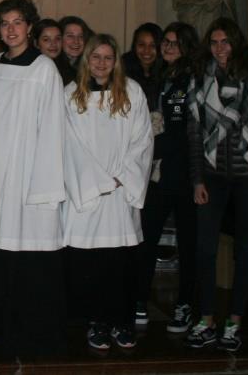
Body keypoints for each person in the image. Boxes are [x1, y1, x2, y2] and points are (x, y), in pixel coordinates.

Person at [0, 0, 67, 358]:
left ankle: (35, 332)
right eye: (4, 23)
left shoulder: (44, 70)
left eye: (17, 22)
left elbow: (54, 129)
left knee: (31, 259)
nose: (11, 29)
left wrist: (42, 184)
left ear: (29, 26)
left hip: (31, 176)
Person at [185, 18, 248, 353]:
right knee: (205, 249)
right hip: (212, 174)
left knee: (244, 249)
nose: (219, 49)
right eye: (214, 42)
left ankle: (235, 320)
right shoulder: (201, 79)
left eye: (225, 42)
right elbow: (194, 135)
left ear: (236, 42)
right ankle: (206, 319)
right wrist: (197, 179)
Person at [63, 34, 153, 352]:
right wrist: (97, 180)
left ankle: (121, 321)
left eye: (108, 57)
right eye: (96, 57)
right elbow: (67, 144)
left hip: (120, 191)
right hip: (87, 193)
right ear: (86, 60)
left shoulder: (132, 92)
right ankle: (96, 322)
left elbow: (143, 139)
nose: (101, 63)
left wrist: (121, 176)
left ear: (116, 62)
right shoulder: (70, 95)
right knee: (90, 265)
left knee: (121, 264)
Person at [136, 22, 201, 332]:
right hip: (159, 176)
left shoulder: (190, 80)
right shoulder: (163, 77)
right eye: (167, 42)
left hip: (184, 176)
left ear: (187, 47)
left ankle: (185, 305)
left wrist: (144, 148)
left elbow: (181, 133)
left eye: (176, 43)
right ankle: (139, 299)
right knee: (146, 238)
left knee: (188, 245)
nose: (169, 47)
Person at [122, 22, 164, 109]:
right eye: (141, 45)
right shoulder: (123, 68)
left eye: (152, 45)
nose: (146, 50)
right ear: (134, 46)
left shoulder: (166, 70)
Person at [33, 18, 75, 85]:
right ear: (36, 43)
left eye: (57, 38)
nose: (53, 44)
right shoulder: (30, 69)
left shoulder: (70, 72)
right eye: (46, 40)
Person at [58, 16, 94, 80]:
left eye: (81, 36)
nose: (76, 41)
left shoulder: (91, 65)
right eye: (70, 36)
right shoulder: (53, 67)